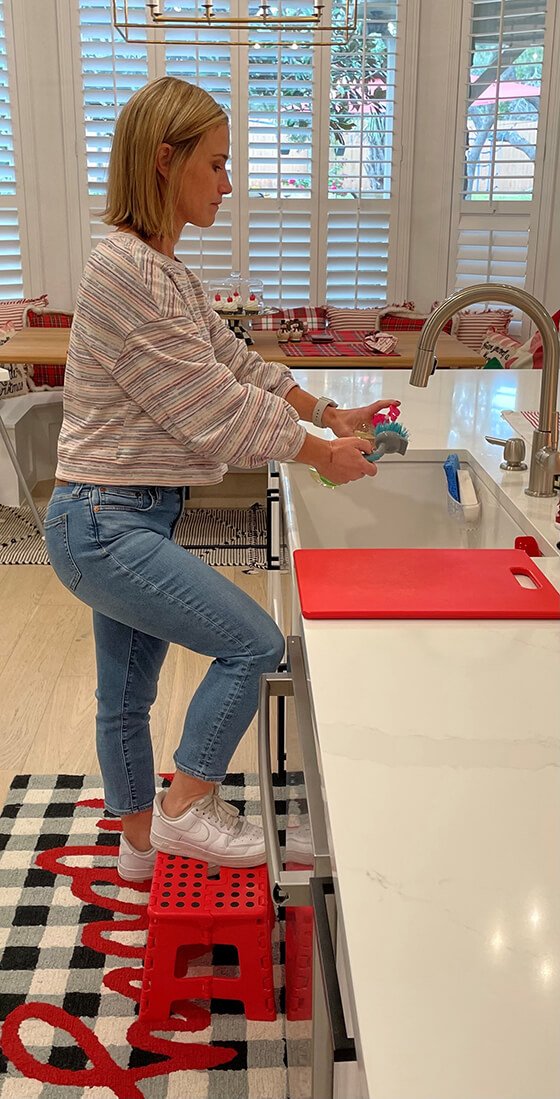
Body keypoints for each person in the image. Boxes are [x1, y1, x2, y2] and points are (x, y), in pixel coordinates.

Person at [44, 76, 398, 882]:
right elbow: (210, 408)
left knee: (126, 694)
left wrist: (327, 410)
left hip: (120, 516)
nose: (229, 185)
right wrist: (316, 453)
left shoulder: (166, 272)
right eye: (217, 165)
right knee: (253, 642)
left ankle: (140, 846)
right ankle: (185, 812)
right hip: (103, 521)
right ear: (165, 162)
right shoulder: (126, 271)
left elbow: (234, 363)